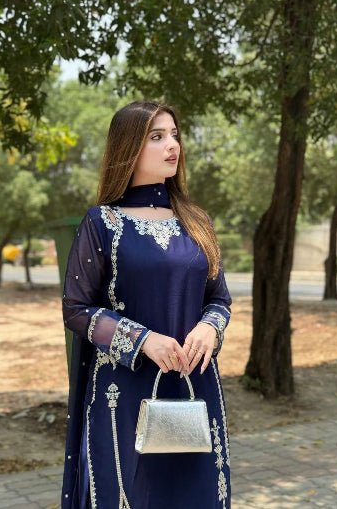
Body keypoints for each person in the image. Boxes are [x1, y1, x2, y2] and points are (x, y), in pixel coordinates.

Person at [61, 100, 232, 509]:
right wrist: (142, 340)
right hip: (124, 391)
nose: (172, 145)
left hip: (193, 385)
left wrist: (209, 327)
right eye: (157, 137)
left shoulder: (197, 222)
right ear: (129, 148)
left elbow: (219, 298)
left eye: (174, 135)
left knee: (196, 495)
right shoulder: (102, 223)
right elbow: (76, 308)